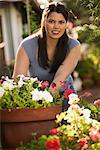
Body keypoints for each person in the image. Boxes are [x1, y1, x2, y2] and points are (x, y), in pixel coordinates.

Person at [13, 2, 81, 108]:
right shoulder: (27, 45)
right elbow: (17, 81)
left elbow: (58, 80)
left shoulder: (73, 46)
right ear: (44, 21)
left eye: (61, 22)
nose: (56, 27)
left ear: (66, 24)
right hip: (35, 102)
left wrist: (45, 104)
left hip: (65, 102)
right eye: (51, 21)